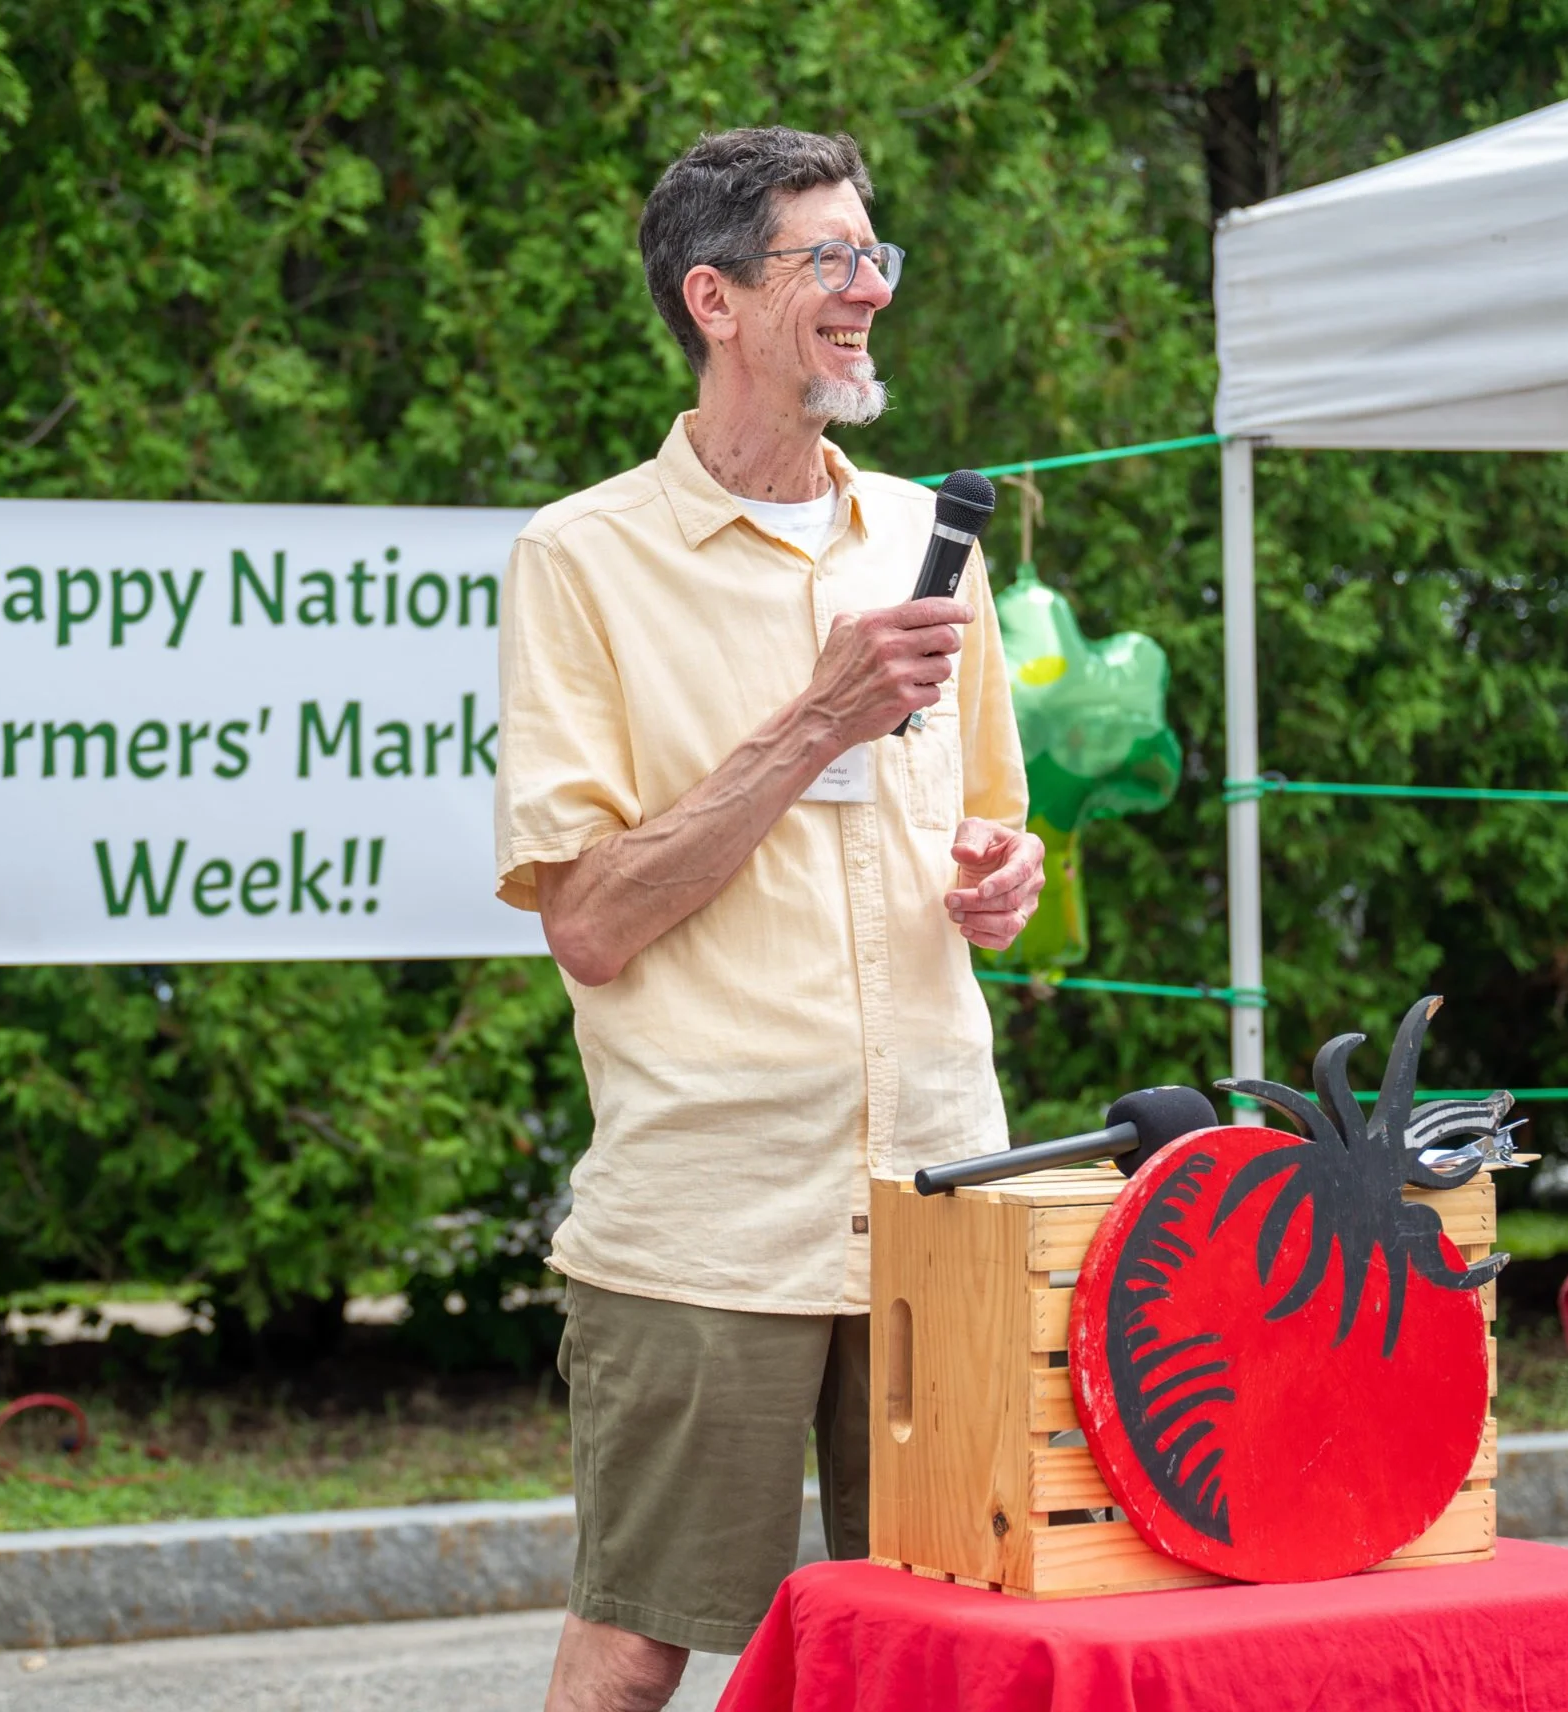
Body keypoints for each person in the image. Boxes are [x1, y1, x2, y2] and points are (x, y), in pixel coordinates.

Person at [494, 126, 1046, 1712]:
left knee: (953, 1637)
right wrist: (810, 724)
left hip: (946, 1192)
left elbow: (988, 838)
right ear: (715, 297)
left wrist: (1002, 877)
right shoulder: (581, 560)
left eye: (877, 255)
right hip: (708, 1213)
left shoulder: (930, 545)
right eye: (830, 259)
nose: (869, 289)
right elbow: (590, 923)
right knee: (637, 1639)